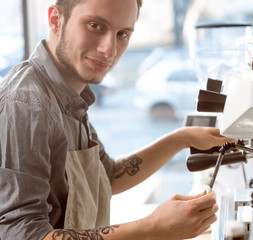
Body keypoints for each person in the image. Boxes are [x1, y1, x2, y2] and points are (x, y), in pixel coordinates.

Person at [0, 0, 235, 239]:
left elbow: (107, 176)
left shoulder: (69, 94)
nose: (109, 50)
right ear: (55, 20)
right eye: (95, 25)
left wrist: (181, 139)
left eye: (122, 34)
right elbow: (24, 234)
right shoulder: (27, 103)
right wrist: (152, 228)